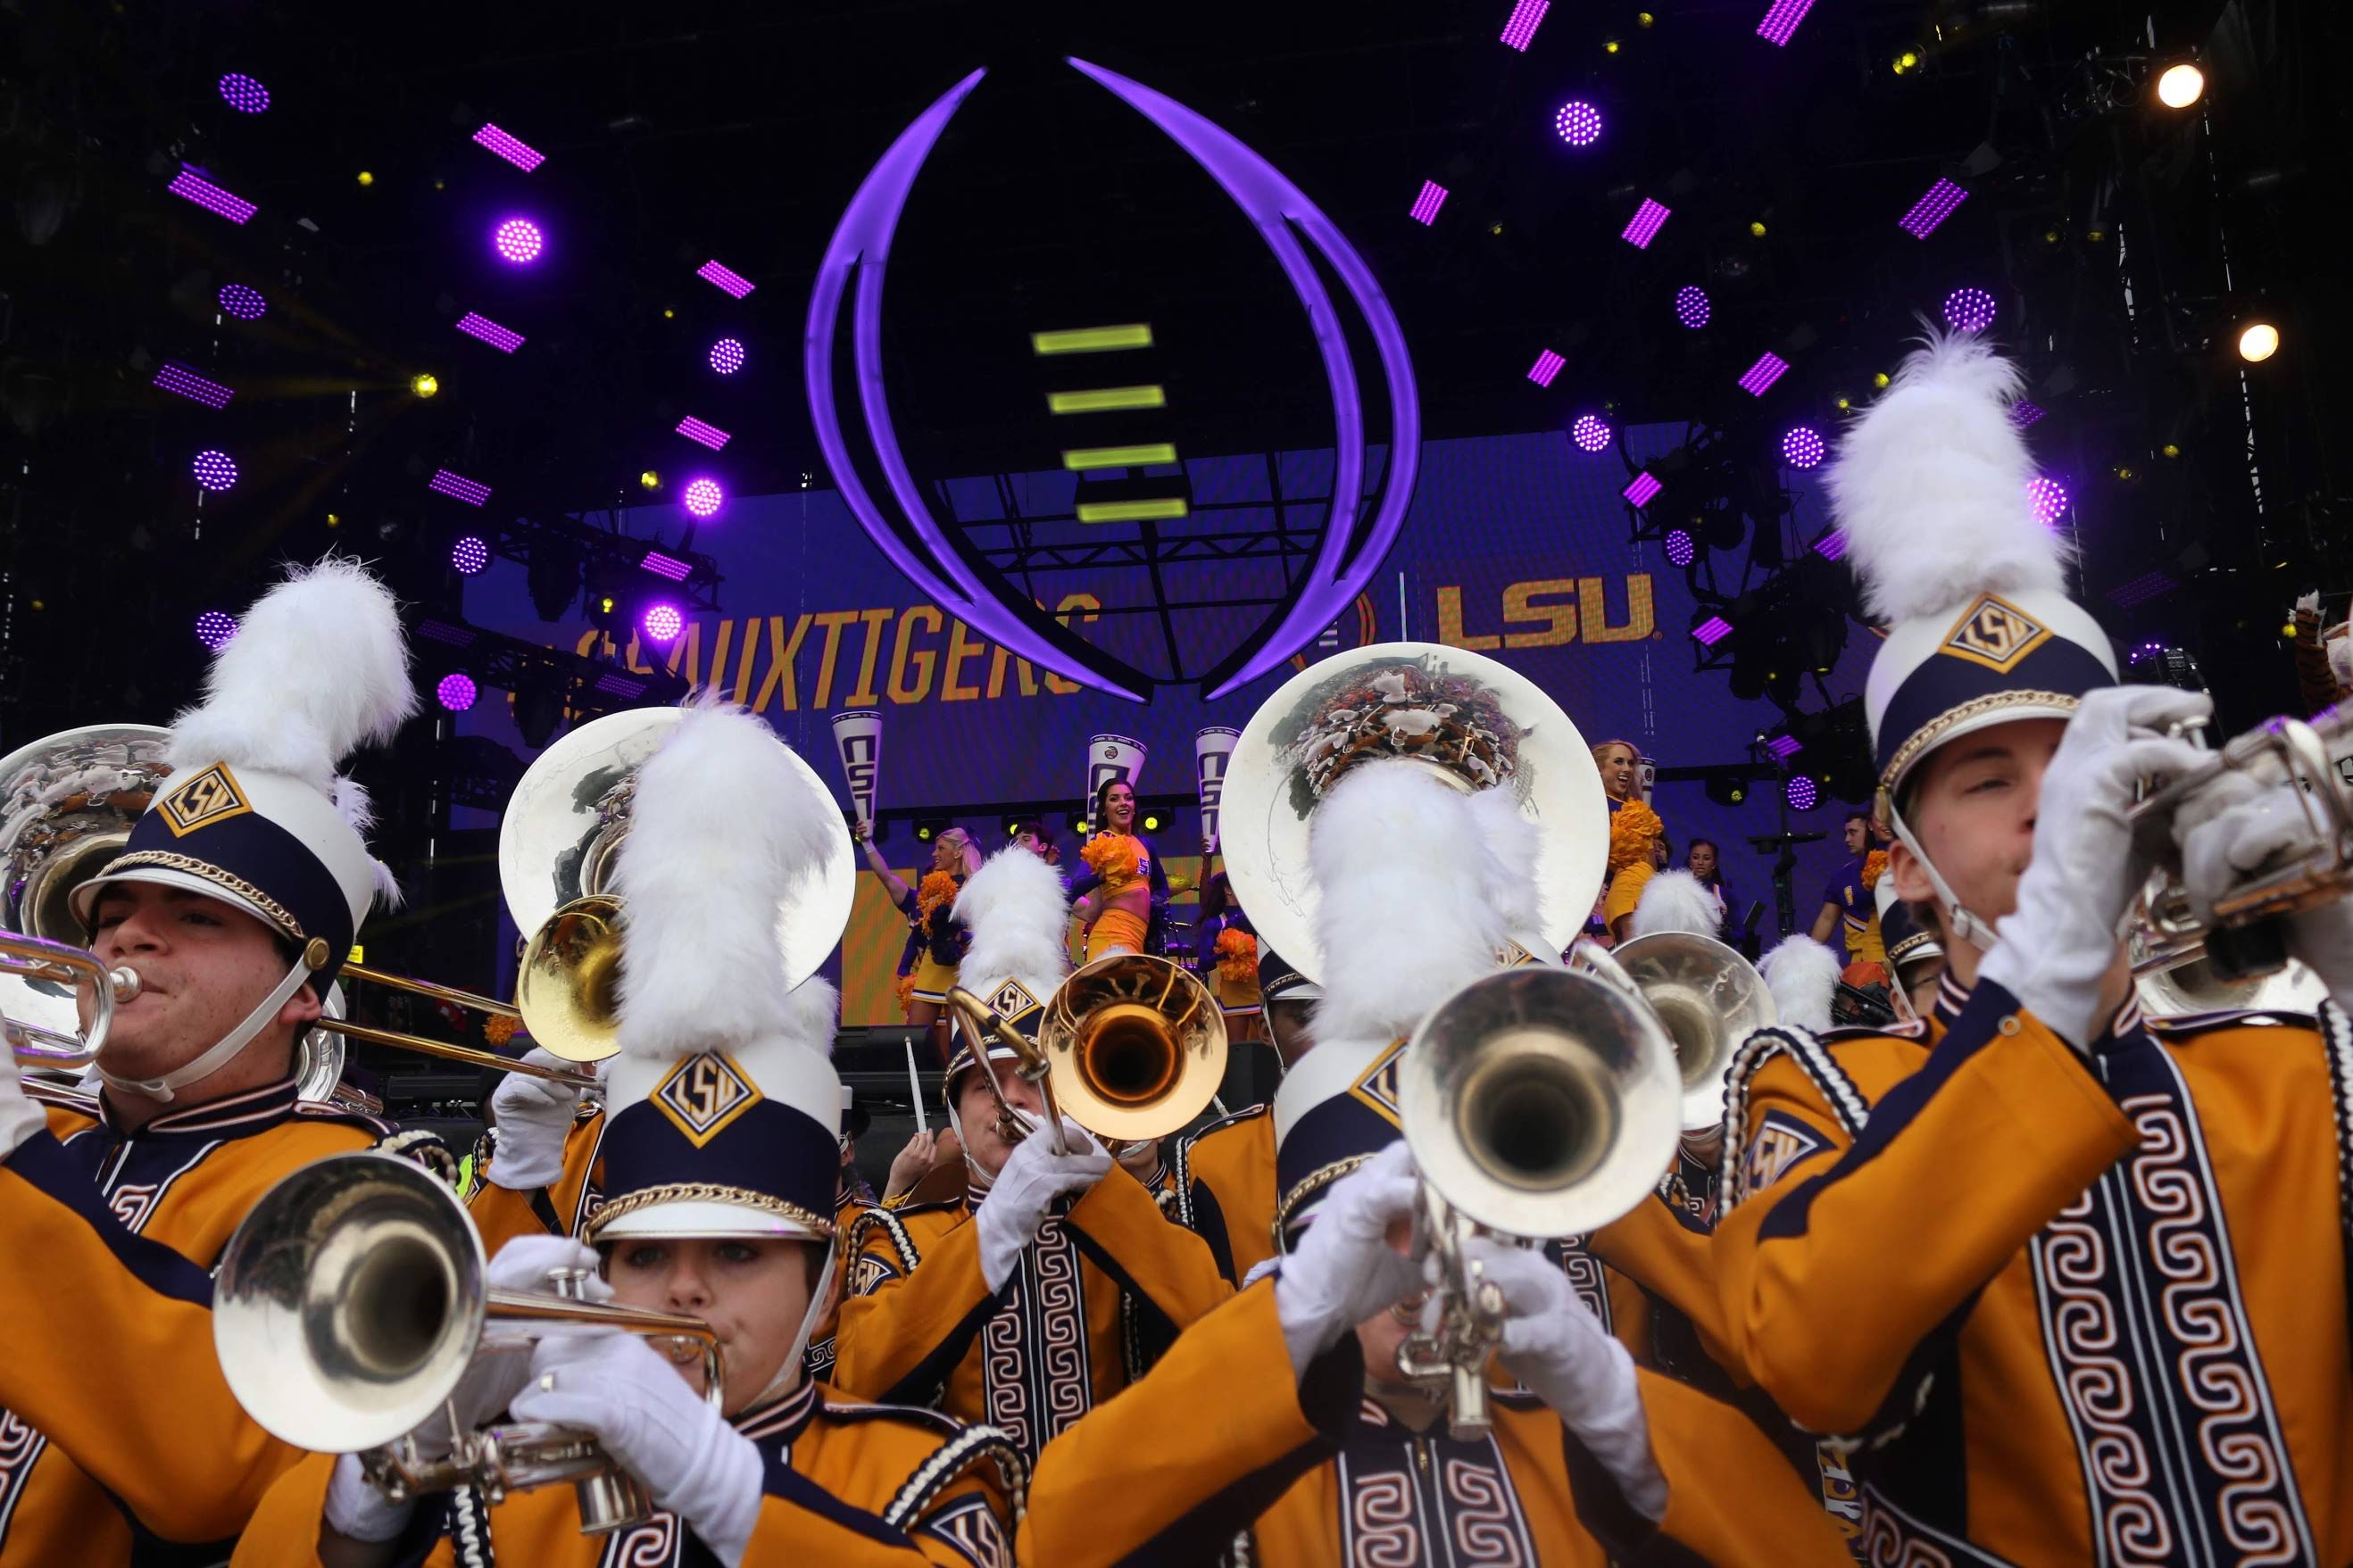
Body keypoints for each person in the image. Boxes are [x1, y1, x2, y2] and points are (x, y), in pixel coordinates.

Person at [1713, 329, 2353, 1561]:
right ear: (1903, 860)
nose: (2055, 805)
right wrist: (2050, 970)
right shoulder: (1825, 1091)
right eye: (1989, 779)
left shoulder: (2288, 1061)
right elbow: (1815, 1364)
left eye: (2078, 763)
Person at [1018, 712, 1850, 1564]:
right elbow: (1062, 1529)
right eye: (1372, 1245)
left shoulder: (1574, 1448)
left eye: (1446, 1224)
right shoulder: (1255, 1478)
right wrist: (1295, 1317)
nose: (1415, 1270)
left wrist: (1618, 1411)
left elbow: (1792, 1512)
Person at [233, 700, 1019, 1567]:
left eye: (737, 1252)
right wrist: (370, 1506)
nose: (681, 1288)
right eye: (641, 1254)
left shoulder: (927, 1474)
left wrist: (719, 1481)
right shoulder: (516, 1499)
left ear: (826, 1285)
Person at [0, 559, 450, 1564]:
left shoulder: (354, 1186)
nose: (125, 940)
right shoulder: (51, 1136)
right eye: (109, 915)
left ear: (301, 987)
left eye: (192, 917)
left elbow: (206, 1467)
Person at [832, 844, 1230, 1456]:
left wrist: (1108, 1195)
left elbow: (1222, 1336)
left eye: (1029, 1074)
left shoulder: (1130, 1218)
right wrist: (991, 1232)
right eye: (983, 1082)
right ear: (957, 1109)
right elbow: (857, 1376)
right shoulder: (899, 1234)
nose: (1010, 1098)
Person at [857, 821, 978, 1065]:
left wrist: (961, 936)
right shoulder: (925, 895)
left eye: (941, 848)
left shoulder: (975, 888)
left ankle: (959, 1096)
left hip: (962, 972)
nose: (934, 853)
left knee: (960, 1047)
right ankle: (920, 1094)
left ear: (957, 852)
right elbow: (887, 877)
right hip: (931, 971)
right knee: (913, 1042)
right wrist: (867, 843)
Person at [1068, 778, 1159, 962]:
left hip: (1137, 937)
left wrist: (1154, 902)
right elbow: (1074, 889)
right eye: (1114, 799)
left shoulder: (1145, 844)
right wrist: (1101, 877)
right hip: (1111, 935)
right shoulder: (1102, 843)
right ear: (1103, 810)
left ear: (1134, 806)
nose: (1123, 803)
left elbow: (1162, 887)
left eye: (1128, 798)